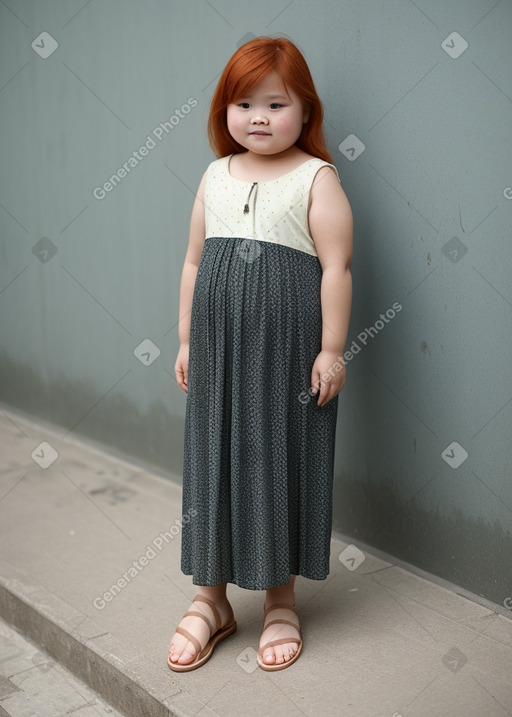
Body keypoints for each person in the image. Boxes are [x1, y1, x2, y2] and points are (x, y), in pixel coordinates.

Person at [168, 35, 353, 673]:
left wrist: (331, 350)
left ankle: (280, 600)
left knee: (280, 457)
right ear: (224, 110)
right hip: (219, 354)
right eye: (243, 103)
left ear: (306, 110)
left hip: (286, 355)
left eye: (276, 104)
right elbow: (194, 261)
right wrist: (188, 338)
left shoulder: (315, 177)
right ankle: (209, 599)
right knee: (213, 457)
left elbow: (336, 267)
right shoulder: (215, 176)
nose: (258, 117)